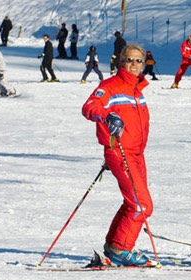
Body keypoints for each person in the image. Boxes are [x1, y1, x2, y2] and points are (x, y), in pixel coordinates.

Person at [82, 42, 158, 267]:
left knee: (133, 202)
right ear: (120, 61)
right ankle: (121, 249)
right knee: (141, 204)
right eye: (129, 60)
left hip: (137, 153)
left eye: (138, 61)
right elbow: (89, 107)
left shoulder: (136, 89)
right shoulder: (112, 85)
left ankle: (115, 244)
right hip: (120, 151)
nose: (134, 64)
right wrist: (107, 116)